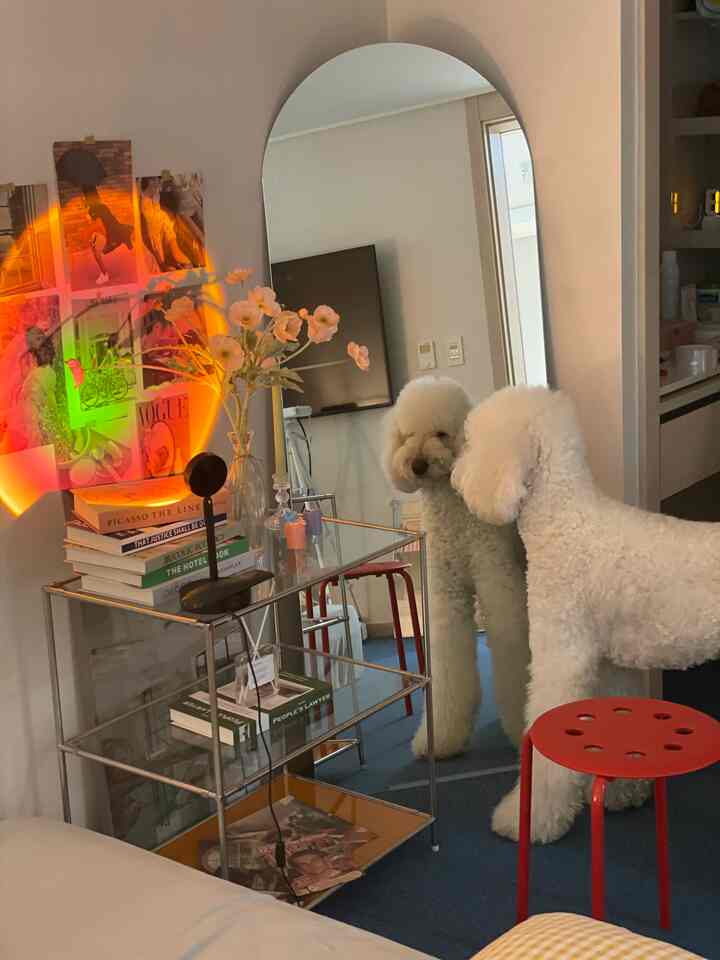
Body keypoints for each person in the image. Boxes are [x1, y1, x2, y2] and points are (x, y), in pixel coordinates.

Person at [139, 177, 192, 273]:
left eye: (157, 183)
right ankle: (164, 265)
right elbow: (150, 227)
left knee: (171, 238)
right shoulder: (143, 198)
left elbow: (159, 205)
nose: (157, 186)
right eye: (154, 182)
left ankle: (181, 262)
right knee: (157, 242)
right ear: (149, 183)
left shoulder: (156, 194)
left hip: (162, 219)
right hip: (152, 223)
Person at [83, 187, 134, 285]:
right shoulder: (102, 206)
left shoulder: (93, 210)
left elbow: (98, 226)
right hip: (113, 231)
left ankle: (105, 274)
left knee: (97, 253)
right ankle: (124, 233)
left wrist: (95, 238)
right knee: (99, 250)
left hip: (107, 233)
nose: (84, 199)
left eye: (85, 197)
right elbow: (109, 221)